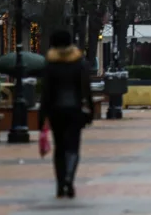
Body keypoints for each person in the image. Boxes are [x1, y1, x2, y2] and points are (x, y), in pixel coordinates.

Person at [38, 29, 94, 199]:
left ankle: (60, 183)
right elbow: (86, 89)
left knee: (59, 148)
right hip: (75, 111)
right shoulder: (79, 62)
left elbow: (45, 93)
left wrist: (42, 117)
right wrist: (90, 110)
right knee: (73, 147)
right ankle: (69, 178)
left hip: (56, 112)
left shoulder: (50, 63)